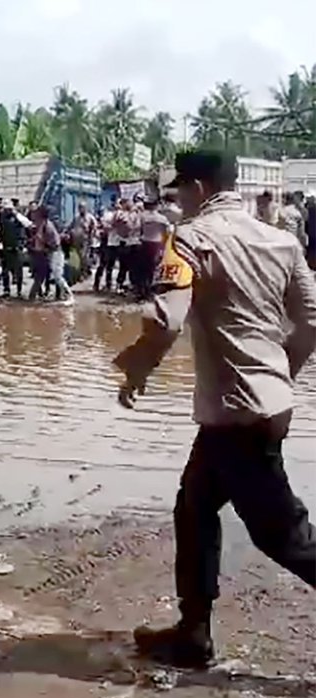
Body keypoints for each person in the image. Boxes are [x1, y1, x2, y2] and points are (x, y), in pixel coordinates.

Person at [114, 149, 316, 668]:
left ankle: (192, 631)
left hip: (235, 414)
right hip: (265, 404)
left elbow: (165, 321)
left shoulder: (192, 239)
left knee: (286, 539)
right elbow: (311, 322)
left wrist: (137, 367)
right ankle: (192, 633)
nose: (176, 201)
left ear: (199, 188)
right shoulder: (283, 241)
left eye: (179, 190)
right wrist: (280, 375)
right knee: (195, 505)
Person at [29, 206, 74, 304]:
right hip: (46, 253)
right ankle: (33, 297)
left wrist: (44, 247)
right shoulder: (40, 225)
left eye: (36, 213)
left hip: (55, 253)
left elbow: (56, 243)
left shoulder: (48, 227)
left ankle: (69, 296)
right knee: (41, 275)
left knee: (57, 276)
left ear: (41, 215)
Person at [0, 199, 30, 298]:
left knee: (18, 270)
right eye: (6, 209)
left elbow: (28, 224)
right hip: (6, 247)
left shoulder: (18, 217)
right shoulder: (1, 217)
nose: (7, 211)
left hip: (17, 247)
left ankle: (19, 291)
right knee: (5, 271)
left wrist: (16, 214)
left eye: (9, 209)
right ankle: (6, 290)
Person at [139, 198, 169, 299]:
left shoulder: (142, 217)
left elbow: (139, 230)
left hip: (144, 243)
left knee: (143, 269)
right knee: (154, 268)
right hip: (157, 243)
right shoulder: (162, 218)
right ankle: (151, 292)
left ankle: (142, 290)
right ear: (156, 205)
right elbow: (166, 233)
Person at [71, 201, 97, 279]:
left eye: (82, 207)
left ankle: (84, 273)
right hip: (76, 240)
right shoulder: (76, 217)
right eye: (79, 208)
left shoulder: (90, 217)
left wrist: (91, 237)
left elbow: (94, 227)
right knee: (78, 257)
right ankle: (82, 272)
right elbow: (71, 226)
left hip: (86, 240)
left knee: (84, 257)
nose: (81, 209)